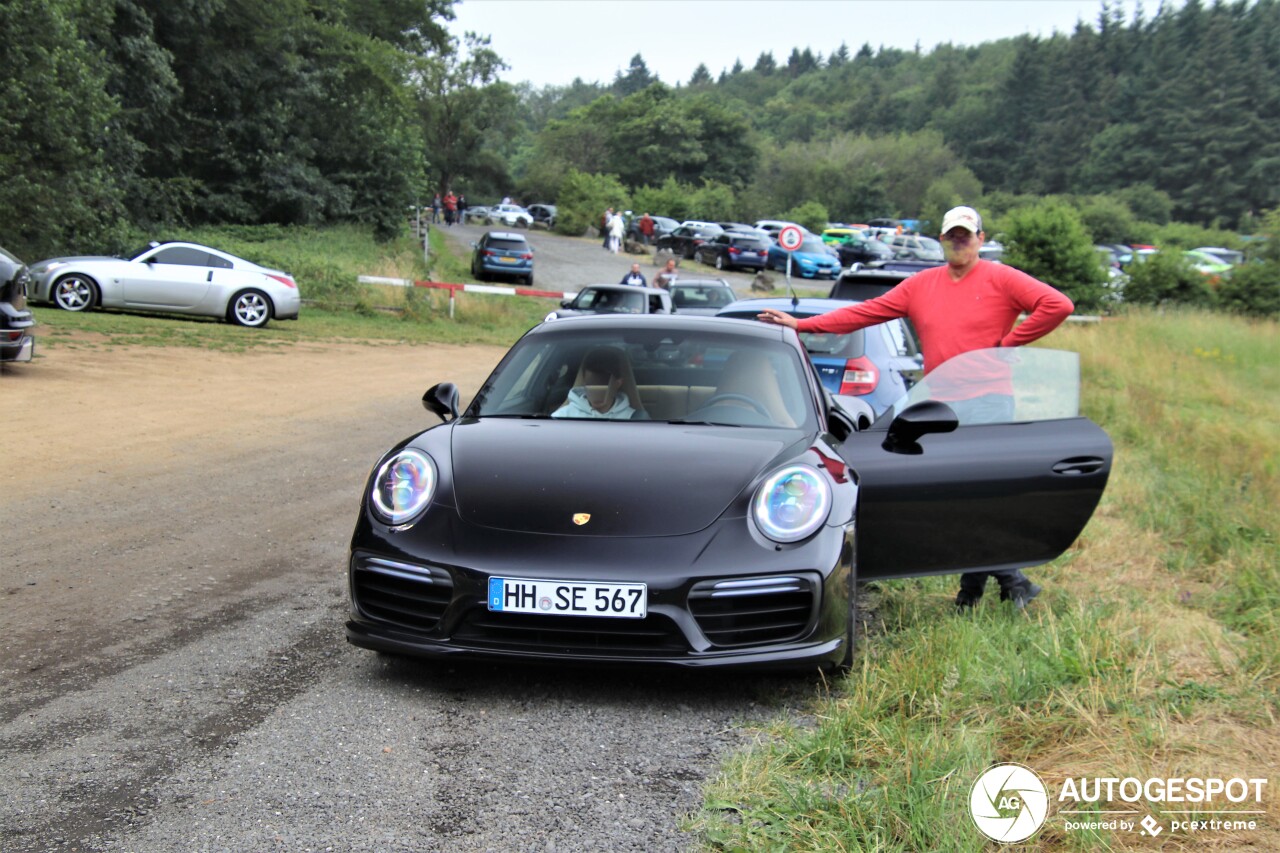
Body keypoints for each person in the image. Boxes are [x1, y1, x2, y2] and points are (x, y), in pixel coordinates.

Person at [757, 205, 1074, 611]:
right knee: (962, 495)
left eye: (966, 235)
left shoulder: (1001, 277)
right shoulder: (921, 285)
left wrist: (1008, 345)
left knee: (977, 493)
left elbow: (1057, 305)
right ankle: (1008, 582)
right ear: (942, 240)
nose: (959, 241)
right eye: (952, 235)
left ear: (980, 239)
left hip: (989, 401)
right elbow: (864, 312)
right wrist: (801, 325)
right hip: (939, 403)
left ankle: (975, 592)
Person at [552, 347, 639, 420]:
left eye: (603, 384)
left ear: (618, 383)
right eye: (591, 383)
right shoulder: (563, 417)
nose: (596, 391)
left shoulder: (634, 420)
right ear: (584, 384)